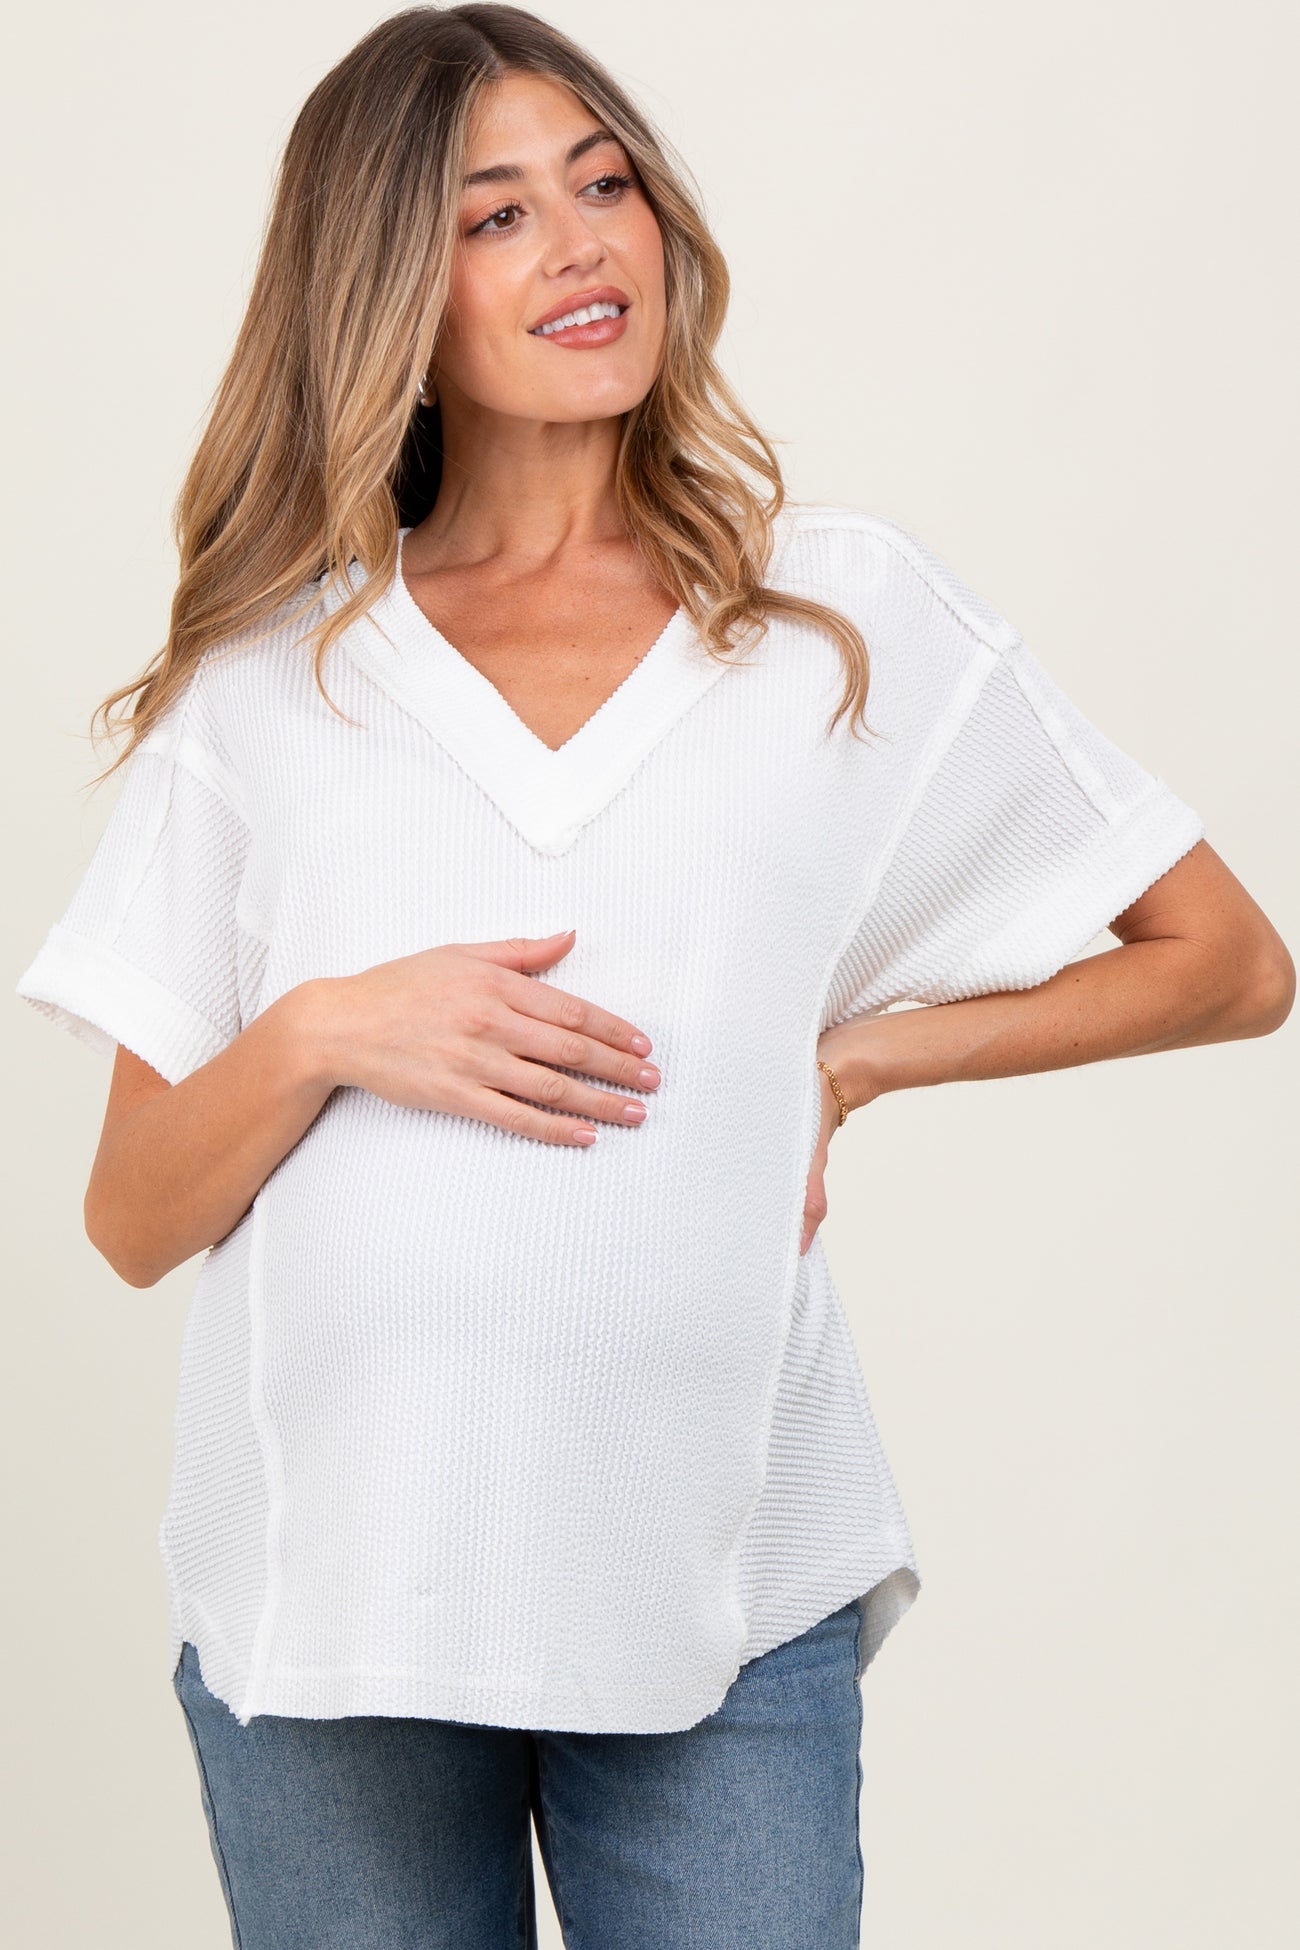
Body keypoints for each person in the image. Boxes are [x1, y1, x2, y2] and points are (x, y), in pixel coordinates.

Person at [14, 6, 1293, 1947]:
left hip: (722, 1588)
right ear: (388, 286)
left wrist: (851, 1062)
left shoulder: (832, 617)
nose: (582, 244)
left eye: (603, 184)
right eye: (497, 215)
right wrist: (332, 1028)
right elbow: (130, 1217)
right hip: (337, 1603)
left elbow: (1225, 962)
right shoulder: (276, 676)